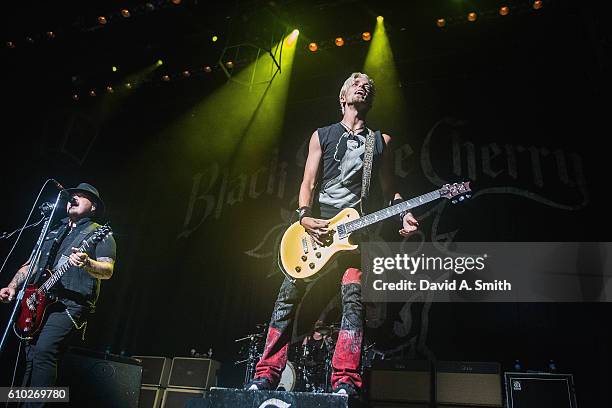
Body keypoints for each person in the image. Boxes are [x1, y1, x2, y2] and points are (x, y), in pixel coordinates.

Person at [244, 73, 418, 397]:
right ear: (343, 96)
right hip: (318, 225)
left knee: (353, 302)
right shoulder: (322, 135)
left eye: (368, 84)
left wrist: (404, 212)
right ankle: (266, 374)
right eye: (356, 81)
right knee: (287, 298)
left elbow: (391, 189)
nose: (363, 84)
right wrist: (304, 216)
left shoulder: (381, 142)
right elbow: (307, 183)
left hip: (355, 232)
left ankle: (345, 382)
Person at [0, 183, 116, 406]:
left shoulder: (99, 233)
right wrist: (13, 286)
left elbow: (108, 270)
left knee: (45, 351)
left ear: (93, 207)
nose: (74, 198)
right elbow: (30, 266)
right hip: (41, 302)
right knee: (31, 357)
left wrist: (86, 263)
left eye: (82, 196)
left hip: (70, 304)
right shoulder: (52, 230)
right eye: (73, 195)